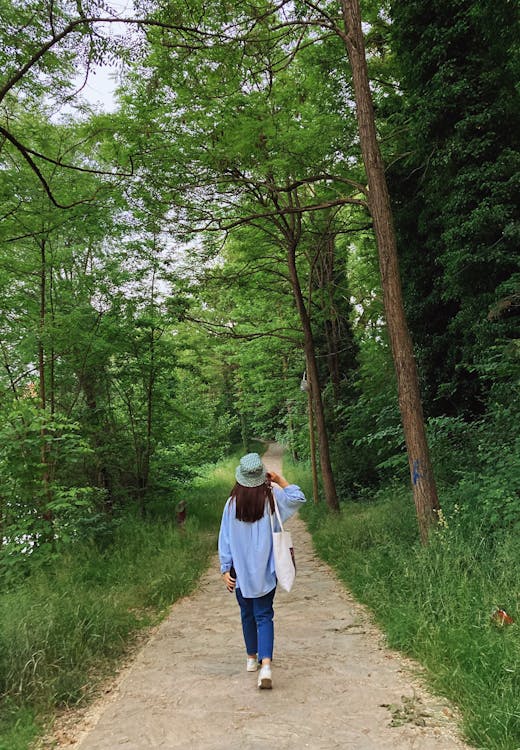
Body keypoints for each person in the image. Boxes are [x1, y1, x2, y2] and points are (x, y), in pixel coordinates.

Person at [218, 452, 306, 689]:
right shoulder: (273, 498)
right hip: (266, 570)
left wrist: (225, 568)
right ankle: (265, 665)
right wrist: (280, 480)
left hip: (240, 571)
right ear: (261, 476)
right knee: (264, 615)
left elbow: (225, 538)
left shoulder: (231, 504)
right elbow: (298, 498)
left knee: (246, 614)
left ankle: (250, 658)